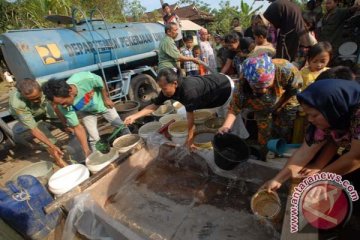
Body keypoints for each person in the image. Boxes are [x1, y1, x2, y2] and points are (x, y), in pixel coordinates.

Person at [262, 80, 360, 198]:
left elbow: (355, 158)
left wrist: (318, 178)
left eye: (314, 115)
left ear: (333, 109)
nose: (310, 119)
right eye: (308, 114)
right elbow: (305, 152)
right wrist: (278, 180)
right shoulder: (333, 115)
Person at [124, 68, 234, 150]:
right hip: (211, 92)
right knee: (220, 119)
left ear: (175, 83)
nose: (162, 91)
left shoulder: (188, 91)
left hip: (225, 88)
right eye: (161, 88)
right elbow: (154, 106)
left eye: (164, 88)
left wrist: (190, 141)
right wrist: (134, 116)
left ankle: (235, 144)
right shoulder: (167, 91)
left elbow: (191, 120)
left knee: (230, 124)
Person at [219, 54, 303, 157]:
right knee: (264, 132)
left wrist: (280, 106)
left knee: (283, 126)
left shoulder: (286, 70)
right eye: (257, 88)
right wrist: (225, 127)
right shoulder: (242, 84)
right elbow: (234, 107)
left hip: (286, 98)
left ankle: (280, 149)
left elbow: (294, 91)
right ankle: (265, 153)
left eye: (267, 86)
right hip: (261, 106)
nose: (263, 90)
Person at [42, 72, 130, 157]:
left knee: (121, 125)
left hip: (102, 104)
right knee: (93, 139)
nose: (63, 106)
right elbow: (77, 127)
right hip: (86, 112)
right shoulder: (62, 106)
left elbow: (100, 82)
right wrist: (86, 151)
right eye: (60, 104)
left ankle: (131, 146)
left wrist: (106, 98)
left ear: (70, 91)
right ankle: (99, 159)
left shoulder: (84, 79)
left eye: (64, 102)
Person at [9, 78, 68, 167]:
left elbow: (55, 104)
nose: (36, 101)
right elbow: (34, 130)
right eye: (31, 99)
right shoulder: (17, 104)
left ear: (41, 89)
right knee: (48, 140)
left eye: (37, 97)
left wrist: (64, 122)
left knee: (66, 123)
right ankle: (60, 161)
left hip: (44, 107)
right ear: (22, 95)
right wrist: (51, 146)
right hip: (31, 116)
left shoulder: (45, 84)